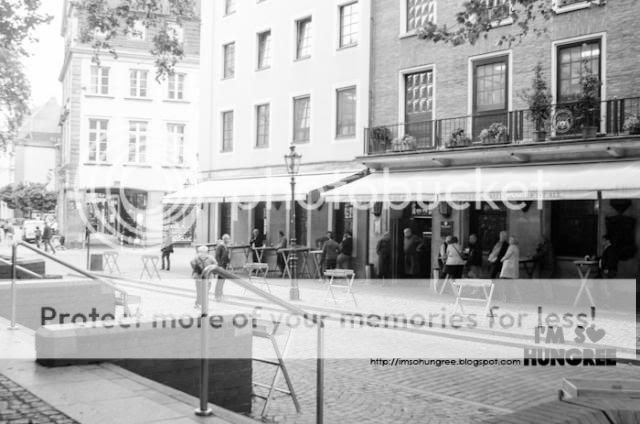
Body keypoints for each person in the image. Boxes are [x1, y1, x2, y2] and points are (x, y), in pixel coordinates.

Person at [214, 234, 232, 301]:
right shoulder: (220, 246)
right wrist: (220, 266)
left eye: (229, 239)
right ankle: (217, 295)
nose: (228, 240)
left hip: (224, 266)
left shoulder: (225, 246)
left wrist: (228, 263)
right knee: (220, 280)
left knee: (222, 280)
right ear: (224, 239)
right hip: (221, 266)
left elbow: (226, 257)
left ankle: (220, 294)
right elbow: (217, 257)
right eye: (227, 239)